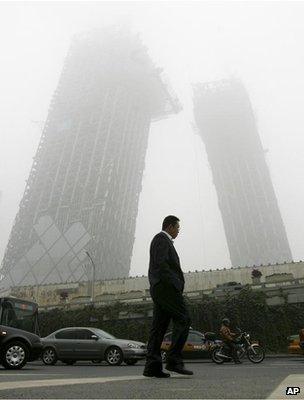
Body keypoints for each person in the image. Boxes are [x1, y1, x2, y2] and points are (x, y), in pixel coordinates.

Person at [143, 215, 193, 378]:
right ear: (170, 226)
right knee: (184, 318)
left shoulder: (162, 241)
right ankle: (173, 360)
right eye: (177, 227)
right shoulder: (161, 239)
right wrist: (176, 283)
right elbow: (161, 264)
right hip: (166, 288)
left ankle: (152, 366)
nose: (178, 231)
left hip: (160, 288)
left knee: (158, 328)